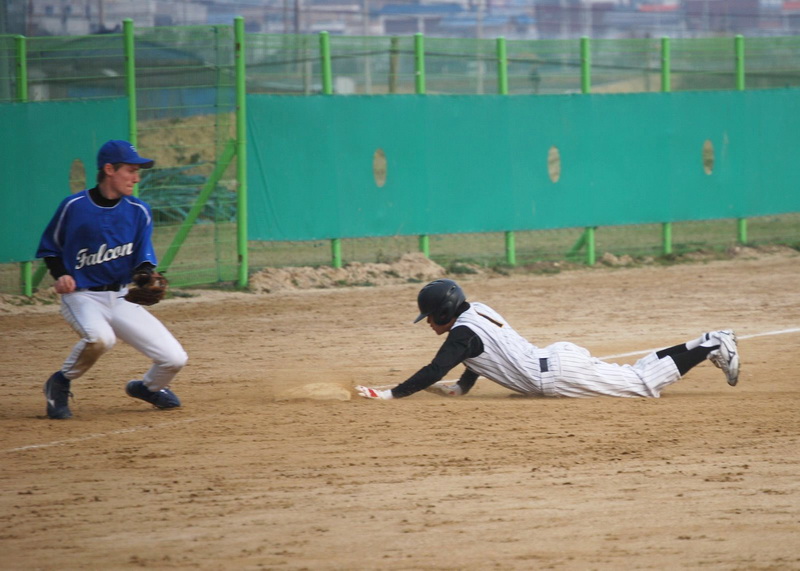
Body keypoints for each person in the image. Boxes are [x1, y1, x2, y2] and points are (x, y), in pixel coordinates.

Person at [356, 279, 739, 400]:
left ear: (443, 312)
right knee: (635, 372)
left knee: (640, 383)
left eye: (429, 317)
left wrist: (389, 394)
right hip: (554, 360)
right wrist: (462, 386)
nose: (427, 323)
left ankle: (711, 345)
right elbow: (478, 355)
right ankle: (702, 342)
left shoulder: (463, 335)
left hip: (556, 375)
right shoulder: (476, 312)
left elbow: (434, 368)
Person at [37, 140, 188, 419]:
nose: (136, 177)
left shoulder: (138, 210)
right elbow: (50, 248)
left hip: (120, 297)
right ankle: (60, 381)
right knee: (101, 340)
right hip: (82, 296)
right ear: (109, 169)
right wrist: (62, 275)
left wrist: (143, 277)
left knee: (175, 359)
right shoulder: (74, 206)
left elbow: (142, 258)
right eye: (130, 170)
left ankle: (148, 388)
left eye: (137, 171)